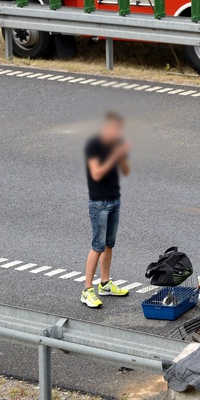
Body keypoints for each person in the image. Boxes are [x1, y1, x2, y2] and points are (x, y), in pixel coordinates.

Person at [81, 112, 131, 308]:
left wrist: (123, 157)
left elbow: (125, 170)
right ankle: (87, 290)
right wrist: (115, 156)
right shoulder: (94, 146)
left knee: (109, 244)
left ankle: (105, 283)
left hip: (114, 200)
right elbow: (97, 172)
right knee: (97, 246)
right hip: (99, 203)